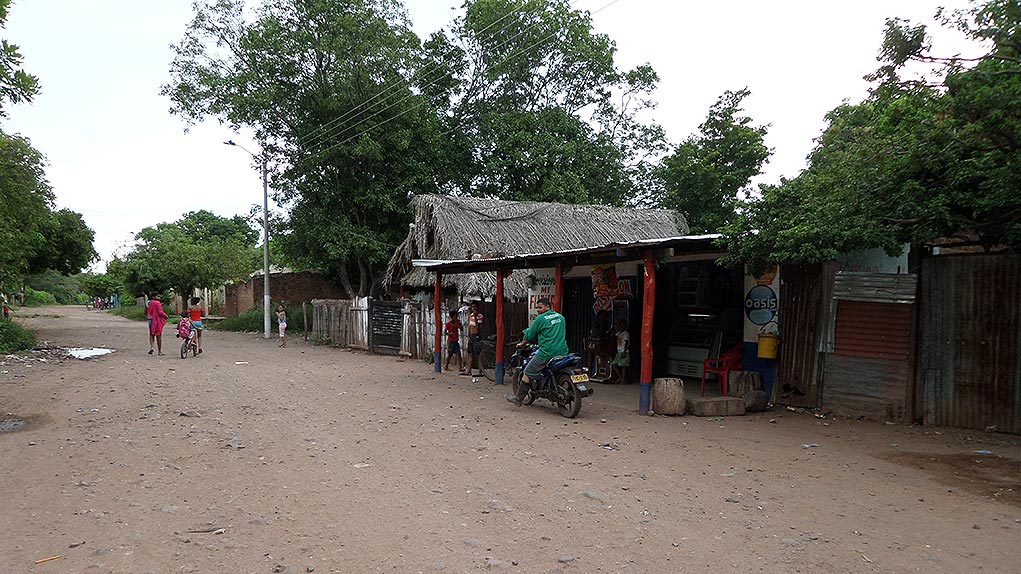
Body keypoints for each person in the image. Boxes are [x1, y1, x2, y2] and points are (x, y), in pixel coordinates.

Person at [506, 297, 569, 406]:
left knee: (528, 372)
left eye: (540, 307)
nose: (538, 310)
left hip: (547, 352)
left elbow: (529, 334)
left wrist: (522, 344)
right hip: (563, 351)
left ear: (548, 307)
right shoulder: (560, 317)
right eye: (537, 308)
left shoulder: (541, 319)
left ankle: (518, 398)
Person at [462, 301, 484, 377]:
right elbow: (470, 326)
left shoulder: (480, 316)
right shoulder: (471, 315)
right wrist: (469, 335)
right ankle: (468, 370)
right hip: (471, 336)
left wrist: (475, 316)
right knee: (470, 353)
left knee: (478, 353)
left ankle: (481, 371)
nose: (473, 308)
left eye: (475, 307)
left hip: (476, 335)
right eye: (472, 307)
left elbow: (478, 327)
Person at [610, 318, 630, 384]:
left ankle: (623, 379)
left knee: (623, 366)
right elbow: (612, 336)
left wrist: (624, 351)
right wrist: (615, 329)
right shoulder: (619, 333)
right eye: (620, 325)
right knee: (614, 364)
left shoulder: (626, 334)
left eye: (622, 326)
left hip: (624, 351)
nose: (621, 327)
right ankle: (620, 378)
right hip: (619, 352)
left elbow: (626, 343)